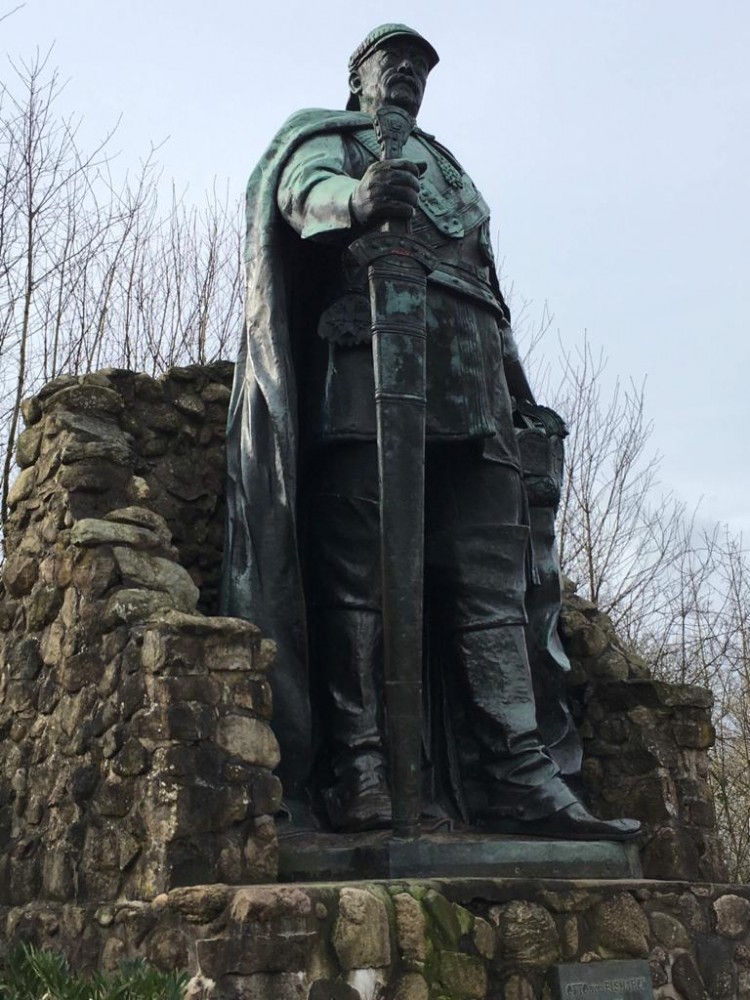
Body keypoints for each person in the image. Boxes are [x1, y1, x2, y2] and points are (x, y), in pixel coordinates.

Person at [221, 23, 639, 841]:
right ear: (359, 77)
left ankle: (518, 771)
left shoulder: (453, 171)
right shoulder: (328, 139)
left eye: (421, 66)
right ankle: (361, 765)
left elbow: (489, 288)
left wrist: (522, 396)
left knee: (492, 587)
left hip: (474, 379)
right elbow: (298, 194)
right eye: (394, 63)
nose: (409, 75)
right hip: (366, 371)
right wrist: (357, 199)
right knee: (361, 581)